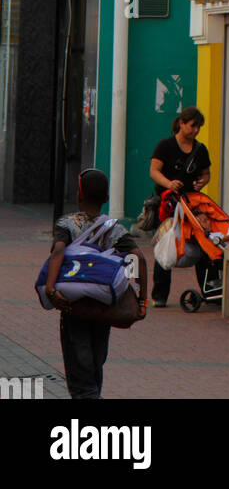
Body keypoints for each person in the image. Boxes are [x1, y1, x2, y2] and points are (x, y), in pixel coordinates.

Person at [44, 167, 147, 399]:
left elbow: (58, 250)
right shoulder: (114, 229)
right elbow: (137, 258)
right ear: (107, 198)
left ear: (79, 195)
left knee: (80, 371)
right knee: (95, 362)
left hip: (74, 305)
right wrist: (142, 300)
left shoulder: (67, 223)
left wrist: (50, 289)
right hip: (103, 307)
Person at [149, 106, 211, 306]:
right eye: (193, 126)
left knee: (201, 241)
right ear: (182, 123)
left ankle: (208, 288)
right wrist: (169, 183)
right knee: (166, 244)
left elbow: (206, 173)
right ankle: (160, 295)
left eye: (198, 127)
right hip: (168, 203)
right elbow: (154, 171)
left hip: (191, 203)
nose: (195, 131)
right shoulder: (165, 146)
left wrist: (202, 182)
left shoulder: (200, 149)